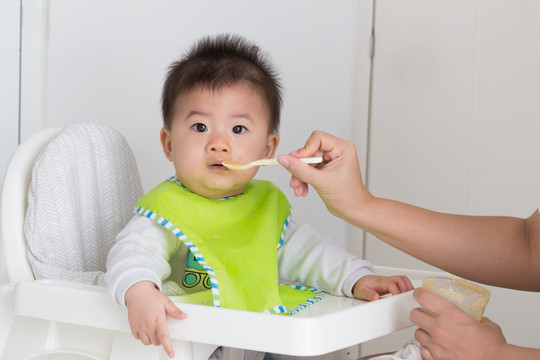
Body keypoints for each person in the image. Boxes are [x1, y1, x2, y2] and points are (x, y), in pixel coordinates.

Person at [105, 35, 413, 359]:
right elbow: (131, 254)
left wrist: (356, 279)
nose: (219, 144)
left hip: (256, 342)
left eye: (238, 129)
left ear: (268, 149)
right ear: (169, 144)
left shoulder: (263, 207)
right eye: (199, 127)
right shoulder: (165, 209)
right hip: (188, 341)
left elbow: (308, 253)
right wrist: (139, 292)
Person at [277, 130, 540, 360]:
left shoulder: (267, 215)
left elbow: (296, 247)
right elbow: (531, 245)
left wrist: (495, 355)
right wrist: (359, 204)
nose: (232, 145)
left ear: (269, 145)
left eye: (240, 128)